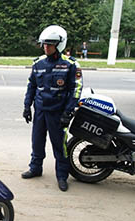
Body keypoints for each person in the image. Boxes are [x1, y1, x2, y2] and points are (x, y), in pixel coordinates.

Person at [21, 25, 83, 192]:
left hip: (58, 113)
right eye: (44, 44)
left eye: (49, 44)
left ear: (59, 45)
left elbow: (75, 90)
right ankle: (35, 168)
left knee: (59, 146)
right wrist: (27, 106)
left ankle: (62, 176)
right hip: (40, 110)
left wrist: (68, 112)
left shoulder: (70, 65)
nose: (45, 47)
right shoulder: (38, 63)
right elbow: (31, 86)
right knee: (37, 142)